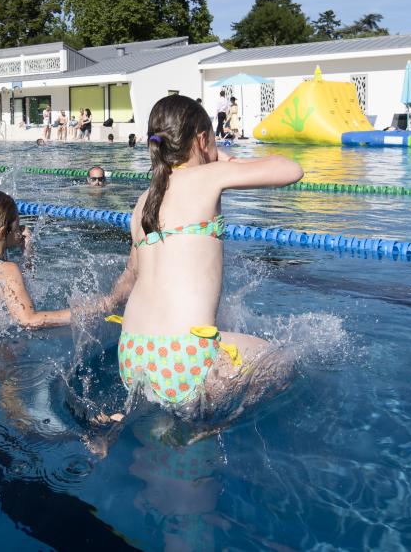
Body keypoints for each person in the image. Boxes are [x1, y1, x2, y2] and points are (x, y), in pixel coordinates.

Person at [101, 94, 303, 410]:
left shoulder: (143, 202)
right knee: (286, 360)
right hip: (182, 361)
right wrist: (227, 159)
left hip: (131, 354)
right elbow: (291, 170)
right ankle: (208, 427)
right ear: (202, 139)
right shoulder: (209, 175)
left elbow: (130, 277)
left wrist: (108, 301)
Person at [0, 190, 70, 329]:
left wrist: (28, 253)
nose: (22, 230)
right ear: (3, 232)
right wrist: (90, 309)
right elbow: (28, 320)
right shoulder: (7, 269)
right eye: (18, 226)